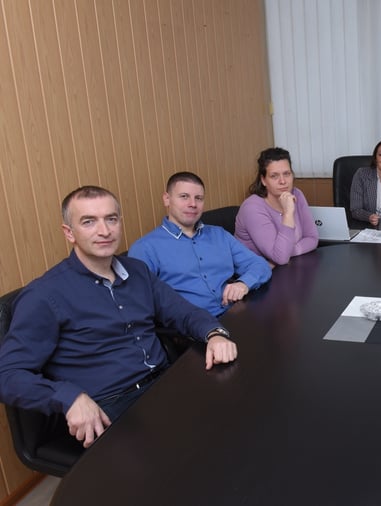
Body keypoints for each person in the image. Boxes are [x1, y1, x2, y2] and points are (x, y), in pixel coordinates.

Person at [0, 186, 238, 448]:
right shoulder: (44, 295)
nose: (104, 231)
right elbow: (8, 375)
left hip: (166, 384)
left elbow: (182, 311)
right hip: (111, 407)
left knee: (238, 414)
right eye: (89, 222)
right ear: (69, 232)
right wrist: (69, 398)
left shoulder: (137, 271)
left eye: (111, 219)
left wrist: (214, 333)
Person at [129, 172, 272, 317]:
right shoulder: (145, 248)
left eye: (199, 198)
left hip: (235, 314)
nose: (193, 204)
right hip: (190, 326)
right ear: (167, 199)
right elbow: (140, 304)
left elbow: (260, 265)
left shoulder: (219, 235)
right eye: (184, 196)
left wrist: (243, 283)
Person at [235, 147, 319, 266]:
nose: (283, 181)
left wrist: (288, 252)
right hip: (256, 272)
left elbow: (312, 238)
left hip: (287, 266)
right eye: (274, 176)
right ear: (263, 180)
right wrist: (288, 213)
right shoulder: (252, 208)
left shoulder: (297, 194)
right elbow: (281, 258)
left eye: (287, 174)